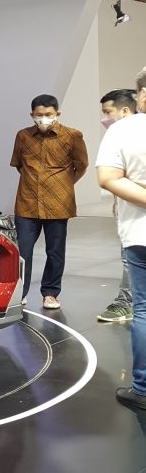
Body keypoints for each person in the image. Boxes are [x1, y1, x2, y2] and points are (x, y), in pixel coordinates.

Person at [96, 66, 146, 412]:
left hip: (141, 232)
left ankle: (143, 388)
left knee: (144, 309)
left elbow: (108, 178)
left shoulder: (124, 130)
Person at [10, 94, 88, 310]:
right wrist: (34, 181)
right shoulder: (23, 136)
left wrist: (63, 184)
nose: (43, 119)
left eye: (48, 114)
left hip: (58, 203)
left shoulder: (72, 135)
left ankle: (51, 293)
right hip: (27, 203)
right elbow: (19, 165)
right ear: (32, 115)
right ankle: (20, 292)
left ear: (57, 114)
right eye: (39, 115)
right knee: (22, 251)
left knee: (55, 251)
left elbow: (82, 165)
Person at [98, 89, 137, 323]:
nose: (104, 118)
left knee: (131, 257)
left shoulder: (135, 137)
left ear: (124, 110)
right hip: (129, 209)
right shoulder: (119, 137)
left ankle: (125, 303)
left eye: (107, 112)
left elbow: (109, 177)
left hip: (136, 211)